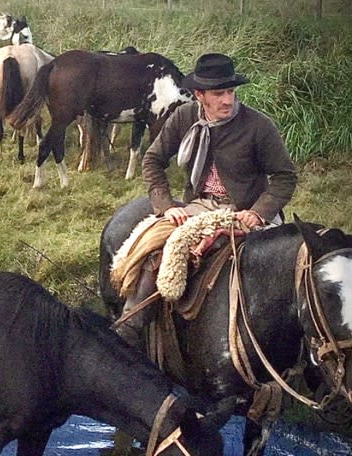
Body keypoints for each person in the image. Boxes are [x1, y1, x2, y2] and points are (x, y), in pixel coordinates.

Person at [115, 52, 298, 349]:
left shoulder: (258, 126)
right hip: (200, 205)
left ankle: (299, 350)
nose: (227, 100)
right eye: (218, 93)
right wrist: (167, 206)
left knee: (281, 271)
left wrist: (258, 213)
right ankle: (132, 327)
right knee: (157, 248)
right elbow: (153, 160)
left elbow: (284, 177)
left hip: (246, 210)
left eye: (231, 91)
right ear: (199, 95)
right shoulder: (184, 117)